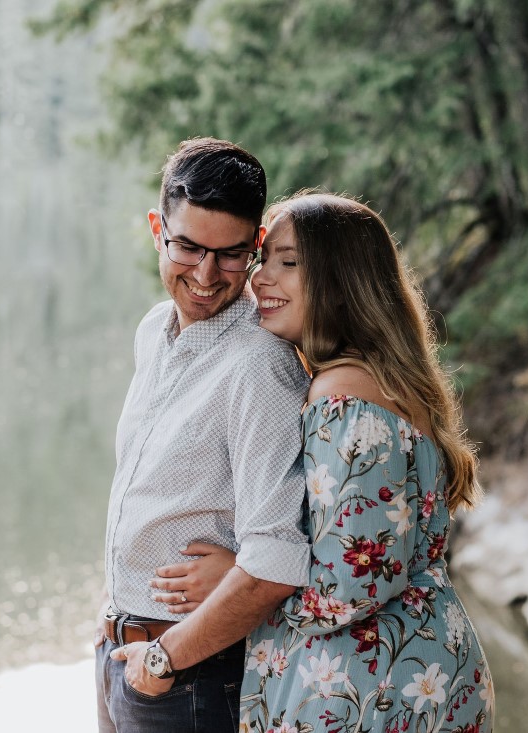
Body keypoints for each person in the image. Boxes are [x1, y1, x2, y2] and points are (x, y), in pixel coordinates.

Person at [151, 192, 495, 732]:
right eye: (265, 260)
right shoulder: (387, 383)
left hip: (368, 689)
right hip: (418, 668)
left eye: (288, 263)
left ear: (342, 280)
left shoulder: (342, 400)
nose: (261, 279)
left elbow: (349, 588)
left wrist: (238, 579)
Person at [95, 138, 313, 733]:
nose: (207, 275)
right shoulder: (152, 330)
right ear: (155, 228)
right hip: (122, 651)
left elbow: (275, 561)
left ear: (258, 245)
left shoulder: (258, 364)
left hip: (191, 674)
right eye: (188, 246)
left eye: (232, 254)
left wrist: (163, 659)